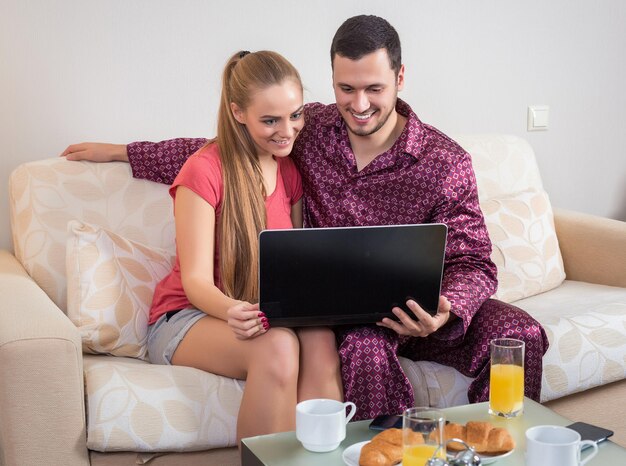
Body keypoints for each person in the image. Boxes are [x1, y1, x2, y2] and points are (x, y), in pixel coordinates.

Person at [62, 15, 548, 421]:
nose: (359, 105)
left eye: (374, 89)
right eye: (346, 88)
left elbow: (477, 263)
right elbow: (224, 150)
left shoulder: (445, 162)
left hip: (426, 313)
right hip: (356, 321)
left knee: (520, 334)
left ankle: (500, 449)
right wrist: (124, 152)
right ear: (332, 79)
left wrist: (444, 307)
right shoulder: (307, 128)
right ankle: (379, 453)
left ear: (400, 79)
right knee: (362, 350)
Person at [127, 50, 342, 442]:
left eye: (295, 115)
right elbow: (194, 282)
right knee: (277, 347)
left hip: (258, 309)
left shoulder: (288, 170)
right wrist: (235, 311)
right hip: (187, 316)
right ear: (238, 112)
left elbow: (289, 268)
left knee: (321, 338)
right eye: (270, 120)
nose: (288, 130)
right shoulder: (203, 170)